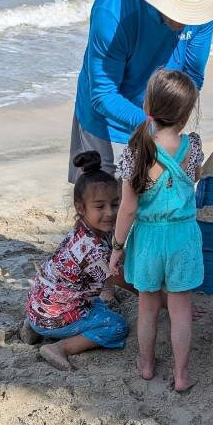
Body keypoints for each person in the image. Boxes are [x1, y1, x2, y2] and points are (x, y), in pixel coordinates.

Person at [70, 0, 213, 182]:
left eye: (192, 11)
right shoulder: (113, 13)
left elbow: (192, 75)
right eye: (180, 10)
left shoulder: (202, 7)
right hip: (108, 122)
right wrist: (155, 127)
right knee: (104, 207)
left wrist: (173, 124)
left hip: (163, 122)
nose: (188, 20)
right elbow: (103, 95)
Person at [110, 68, 203, 393]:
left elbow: (128, 208)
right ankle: (181, 374)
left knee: (147, 308)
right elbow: (190, 179)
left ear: (148, 103)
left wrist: (117, 246)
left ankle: (147, 364)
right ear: (186, 112)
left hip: (148, 238)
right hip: (182, 236)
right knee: (180, 311)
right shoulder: (193, 146)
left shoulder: (137, 149)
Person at [24, 151, 128, 371]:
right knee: (116, 325)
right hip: (55, 319)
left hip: (36, 308)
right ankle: (61, 347)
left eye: (115, 204)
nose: (109, 213)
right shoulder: (94, 249)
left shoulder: (82, 231)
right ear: (81, 208)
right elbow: (122, 281)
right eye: (100, 207)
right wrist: (161, 301)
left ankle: (33, 327)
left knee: (97, 302)